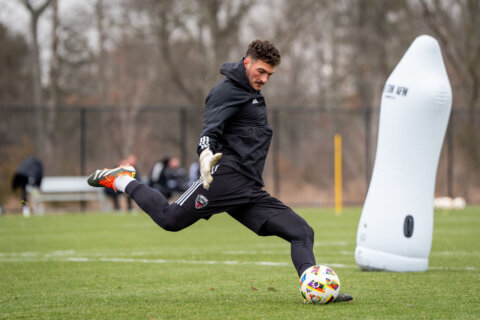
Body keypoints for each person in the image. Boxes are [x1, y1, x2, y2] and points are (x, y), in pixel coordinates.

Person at [87, 40, 352, 302]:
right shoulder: (226, 91)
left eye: (270, 74)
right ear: (246, 62)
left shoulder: (253, 93)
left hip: (247, 187)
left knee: (302, 231)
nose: (265, 79)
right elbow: (209, 132)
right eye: (261, 71)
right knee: (170, 219)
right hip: (225, 177)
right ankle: (121, 179)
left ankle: (314, 288)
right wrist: (205, 155)